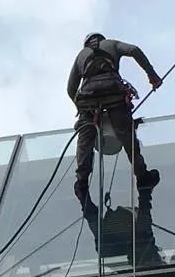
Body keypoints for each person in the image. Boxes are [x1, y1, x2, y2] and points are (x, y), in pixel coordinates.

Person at [67, 32, 163, 218]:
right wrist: (152, 75)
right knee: (127, 137)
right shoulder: (111, 44)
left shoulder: (81, 55)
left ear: (86, 43)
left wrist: (83, 109)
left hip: (88, 98)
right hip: (113, 93)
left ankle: (81, 183)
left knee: (85, 140)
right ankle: (142, 177)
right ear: (101, 39)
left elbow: (71, 88)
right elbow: (134, 50)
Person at [83, 187, 175, 271]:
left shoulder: (139, 240)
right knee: (102, 235)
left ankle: (144, 193)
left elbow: (170, 271)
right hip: (122, 249)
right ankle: (83, 195)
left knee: (103, 238)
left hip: (122, 249)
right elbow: (170, 271)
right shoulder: (141, 239)